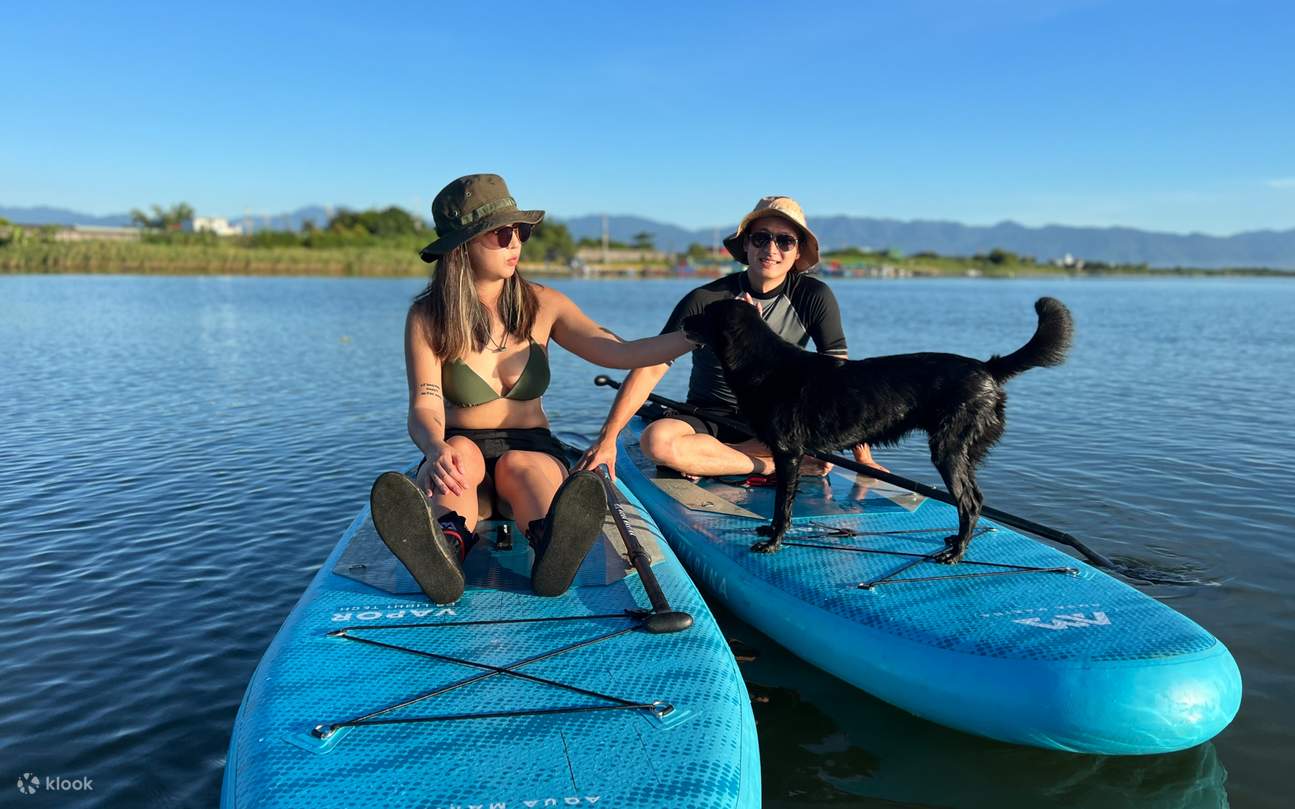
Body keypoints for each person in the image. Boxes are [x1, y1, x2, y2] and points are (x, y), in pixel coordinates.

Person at [370, 174, 695, 604]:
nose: (515, 243)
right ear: (462, 245)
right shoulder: (428, 316)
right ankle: (444, 552)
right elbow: (426, 403)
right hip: (460, 443)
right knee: (460, 459)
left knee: (522, 466)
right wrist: (434, 448)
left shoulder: (545, 304)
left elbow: (624, 353)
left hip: (531, 446)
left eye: (520, 231)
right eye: (501, 233)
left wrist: (703, 333)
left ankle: (553, 547)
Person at [577, 195, 885, 480]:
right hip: (710, 414)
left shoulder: (815, 297)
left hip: (775, 418)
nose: (771, 249)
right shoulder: (707, 298)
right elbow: (651, 367)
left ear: (798, 252)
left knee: (812, 429)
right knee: (657, 443)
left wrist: (864, 460)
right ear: (746, 246)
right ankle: (773, 464)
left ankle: (716, 460)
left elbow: (839, 380)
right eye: (761, 238)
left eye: (785, 241)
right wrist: (607, 439)